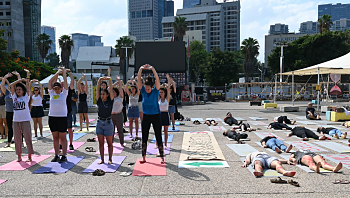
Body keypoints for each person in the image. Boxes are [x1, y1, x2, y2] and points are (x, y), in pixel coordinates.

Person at [4, 71, 34, 162]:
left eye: (19, 89)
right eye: (17, 90)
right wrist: (20, 80)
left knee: (27, 138)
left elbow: (28, 85)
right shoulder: (14, 97)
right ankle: (19, 156)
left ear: (23, 91)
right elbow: (12, 85)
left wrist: (27, 76)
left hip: (25, 120)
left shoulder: (26, 97)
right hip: (16, 120)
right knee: (17, 139)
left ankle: (29, 156)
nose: (17, 91)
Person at [137, 64, 164, 164]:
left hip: (156, 115)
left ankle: (162, 157)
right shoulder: (143, 91)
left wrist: (153, 69)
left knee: (158, 135)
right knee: (144, 136)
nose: (147, 90)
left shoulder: (155, 91)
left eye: (149, 89)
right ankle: (144, 157)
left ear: (152, 87)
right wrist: (140, 69)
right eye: (146, 88)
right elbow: (139, 80)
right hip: (146, 116)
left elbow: (157, 79)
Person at [48, 68, 69, 163]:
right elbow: (50, 81)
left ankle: (64, 155)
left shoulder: (64, 94)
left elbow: (65, 81)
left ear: (61, 88)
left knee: (63, 137)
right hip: (52, 117)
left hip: (62, 118)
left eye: (58, 88)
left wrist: (63, 73)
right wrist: (57, 73)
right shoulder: (51, 93)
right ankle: (56, 155)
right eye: (55, 88)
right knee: (55, 137)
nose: (56, 90)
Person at [96, 76, 114, 164]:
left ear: (107, 95)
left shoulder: (110, 101)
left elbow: (111, 90)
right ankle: (102, 159)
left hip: (108, 123)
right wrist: (99, 80)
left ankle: (110, 159)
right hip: (99, 123)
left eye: (104, 94)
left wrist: (109, 80)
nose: (102, 96)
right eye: (101, 94)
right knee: (101, 143)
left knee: (109, 143)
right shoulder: (99, 101)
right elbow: (97, 91)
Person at [1, 72, 21, 148]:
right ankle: (9, 142)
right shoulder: (7, 93)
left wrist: (18, 75)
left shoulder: (17, 93)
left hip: (16, 111)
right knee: (9, 127)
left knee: (19, 127)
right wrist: (5, 77)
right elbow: (2, 85)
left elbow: (20, 83)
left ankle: (21, 142)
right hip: (8, 111)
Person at [111, 76, 125, 145]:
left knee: (120, 130)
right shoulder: (110, 98)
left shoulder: (120, 97)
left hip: (119, 115)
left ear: (116, 93)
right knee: (111, 130)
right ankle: (111, 142)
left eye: (113, 92)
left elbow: (121, 90)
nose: (112, 93)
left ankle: (122, 142)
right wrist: (114, 83)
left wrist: (119, 81)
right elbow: (108, 89)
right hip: (112, 115)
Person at [157, 83, 171, 148]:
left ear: (164, 93)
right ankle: (157, 143)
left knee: (165, 130)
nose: (161, 93)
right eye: (160, 92)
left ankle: (165, 144)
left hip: (165, 114)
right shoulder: (158, 99)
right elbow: (156, 90)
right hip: (159, 115)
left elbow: (168, 91)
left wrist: (168, 81)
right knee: (158, 130)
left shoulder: (167, 99)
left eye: (162, 92)